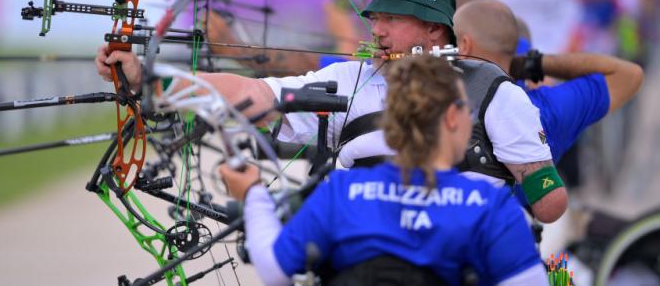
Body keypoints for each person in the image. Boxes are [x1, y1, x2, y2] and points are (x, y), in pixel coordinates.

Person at [96, 0, 568, 223]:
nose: (377, 30)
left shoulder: (494, 93)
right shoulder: (351, 79)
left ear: (433, 28)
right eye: (374, 18)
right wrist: (149, 81)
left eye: (392, 20)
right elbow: (250, 92)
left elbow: (548, 205)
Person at [219, 55, 549, 286]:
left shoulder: (339, 192)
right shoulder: (492, 208)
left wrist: (253, 193)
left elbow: (273, 271)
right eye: (467, 108)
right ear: (452, 118)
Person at [452, 0, 644, 165]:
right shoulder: (545, 109)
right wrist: (534, 64)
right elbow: (630, 75)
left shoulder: (443, 105)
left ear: (465, 45)